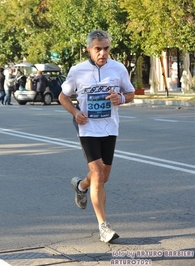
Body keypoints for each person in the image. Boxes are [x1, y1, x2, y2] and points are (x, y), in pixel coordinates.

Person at [58, 30, 135, 243]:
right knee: (99, 176)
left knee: (103, 177)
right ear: (89, 49)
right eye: (98, 49)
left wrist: (120, 97)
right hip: (87, 128)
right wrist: (75, 112)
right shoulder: (77, 70)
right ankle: (104, 226)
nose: (102, 53)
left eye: (106, 48)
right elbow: (63, 96)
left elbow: (130, 93)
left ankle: (81, 186)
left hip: (110, 128)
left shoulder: (118, 68)